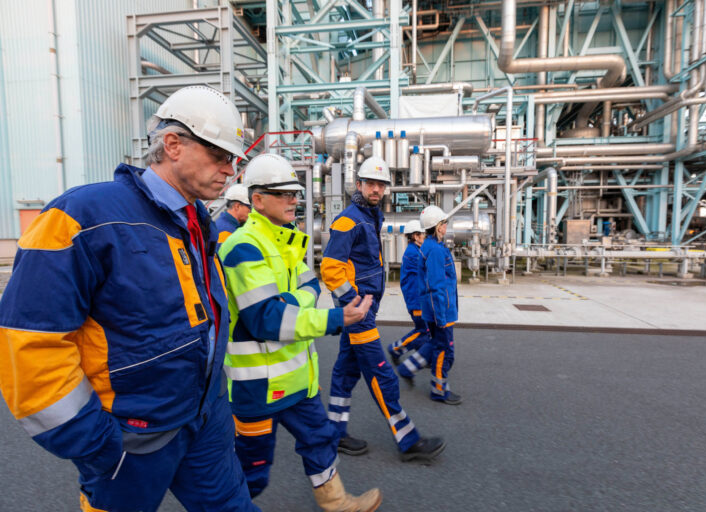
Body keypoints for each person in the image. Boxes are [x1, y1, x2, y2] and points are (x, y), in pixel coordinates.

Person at [0, 85, 258, 512]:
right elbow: (28, 341)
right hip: (131, 438)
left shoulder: (198, 220)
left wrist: (213, 403)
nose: (230, 171)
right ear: (172, 144)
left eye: (233, 160)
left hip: (203, 419)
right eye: (219, 156)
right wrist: (96, 443)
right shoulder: (83, 216)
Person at [218, 153, 382, 511]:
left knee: (320, 439)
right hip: (257, 386)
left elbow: (312, 288)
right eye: (283, 193)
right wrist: (333, 318)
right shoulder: (243, 247)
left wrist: (287, 302)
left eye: (295, 193)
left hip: (297, 381)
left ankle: (336, 501)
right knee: (254, 468)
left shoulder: (289, 242)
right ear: (257, 199)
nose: (293, 199)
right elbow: (267, 320)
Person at [320, 156, 445, 462]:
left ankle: (335, 433)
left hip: (363, 310)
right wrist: (354, 303)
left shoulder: (371, 216)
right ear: (358, 184)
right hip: (359, 312)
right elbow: (331, 268)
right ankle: (408, 439)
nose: (376, 189)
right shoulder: (349, 219)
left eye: (381, 184)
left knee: (345, 372)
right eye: (370, 184)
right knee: (382, 375)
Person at [398, 206, 462, 405]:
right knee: (444, 350)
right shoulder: (435, 250)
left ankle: (408, 367)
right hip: (440, 310)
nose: (446, 225)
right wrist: (441, 317)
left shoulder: (432, 246)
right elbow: (436, 286)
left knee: (435, 343)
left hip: (434, 308)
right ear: (437, 227)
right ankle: (439, 391)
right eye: (444, 222)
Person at [386, 220, 430, 367]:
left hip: (418, 298)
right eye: (423, 234)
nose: (425, 237)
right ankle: (396, 349)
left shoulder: (416, 250)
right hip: (417, 301)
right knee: (423, 331)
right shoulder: (413, 253)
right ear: (415, 236)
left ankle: (422, 356)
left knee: (424, 330)